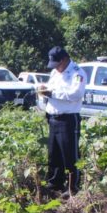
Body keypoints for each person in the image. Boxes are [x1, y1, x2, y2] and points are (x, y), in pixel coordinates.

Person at [38, 46, 87, 198]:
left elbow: (76, 94)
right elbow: (49, 89)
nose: (56, 68)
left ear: (65, 59)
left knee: (70, 155)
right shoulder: (54, 72)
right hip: (53, 117)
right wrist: (43, 90)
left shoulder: (77, 73)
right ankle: (55, 183)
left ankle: (73, 187)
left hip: (68, 119)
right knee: (54, 154)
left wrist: (52, 93)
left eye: (57, 64)